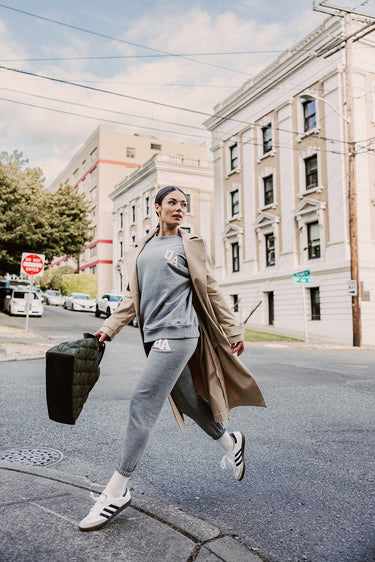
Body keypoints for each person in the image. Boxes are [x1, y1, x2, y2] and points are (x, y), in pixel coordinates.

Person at [79, 186, 266, 532]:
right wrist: (107, 328)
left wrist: (234, 329)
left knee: (142, 402)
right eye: (172, 203)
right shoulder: (141, 249)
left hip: (179, 334)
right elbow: (131, 299)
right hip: (155, 338)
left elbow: (211, 289)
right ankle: (231, 441)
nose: (179, 208)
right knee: (189, 401)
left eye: (184, 204)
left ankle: (117, 491)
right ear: (157, 208)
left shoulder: (189, 246)